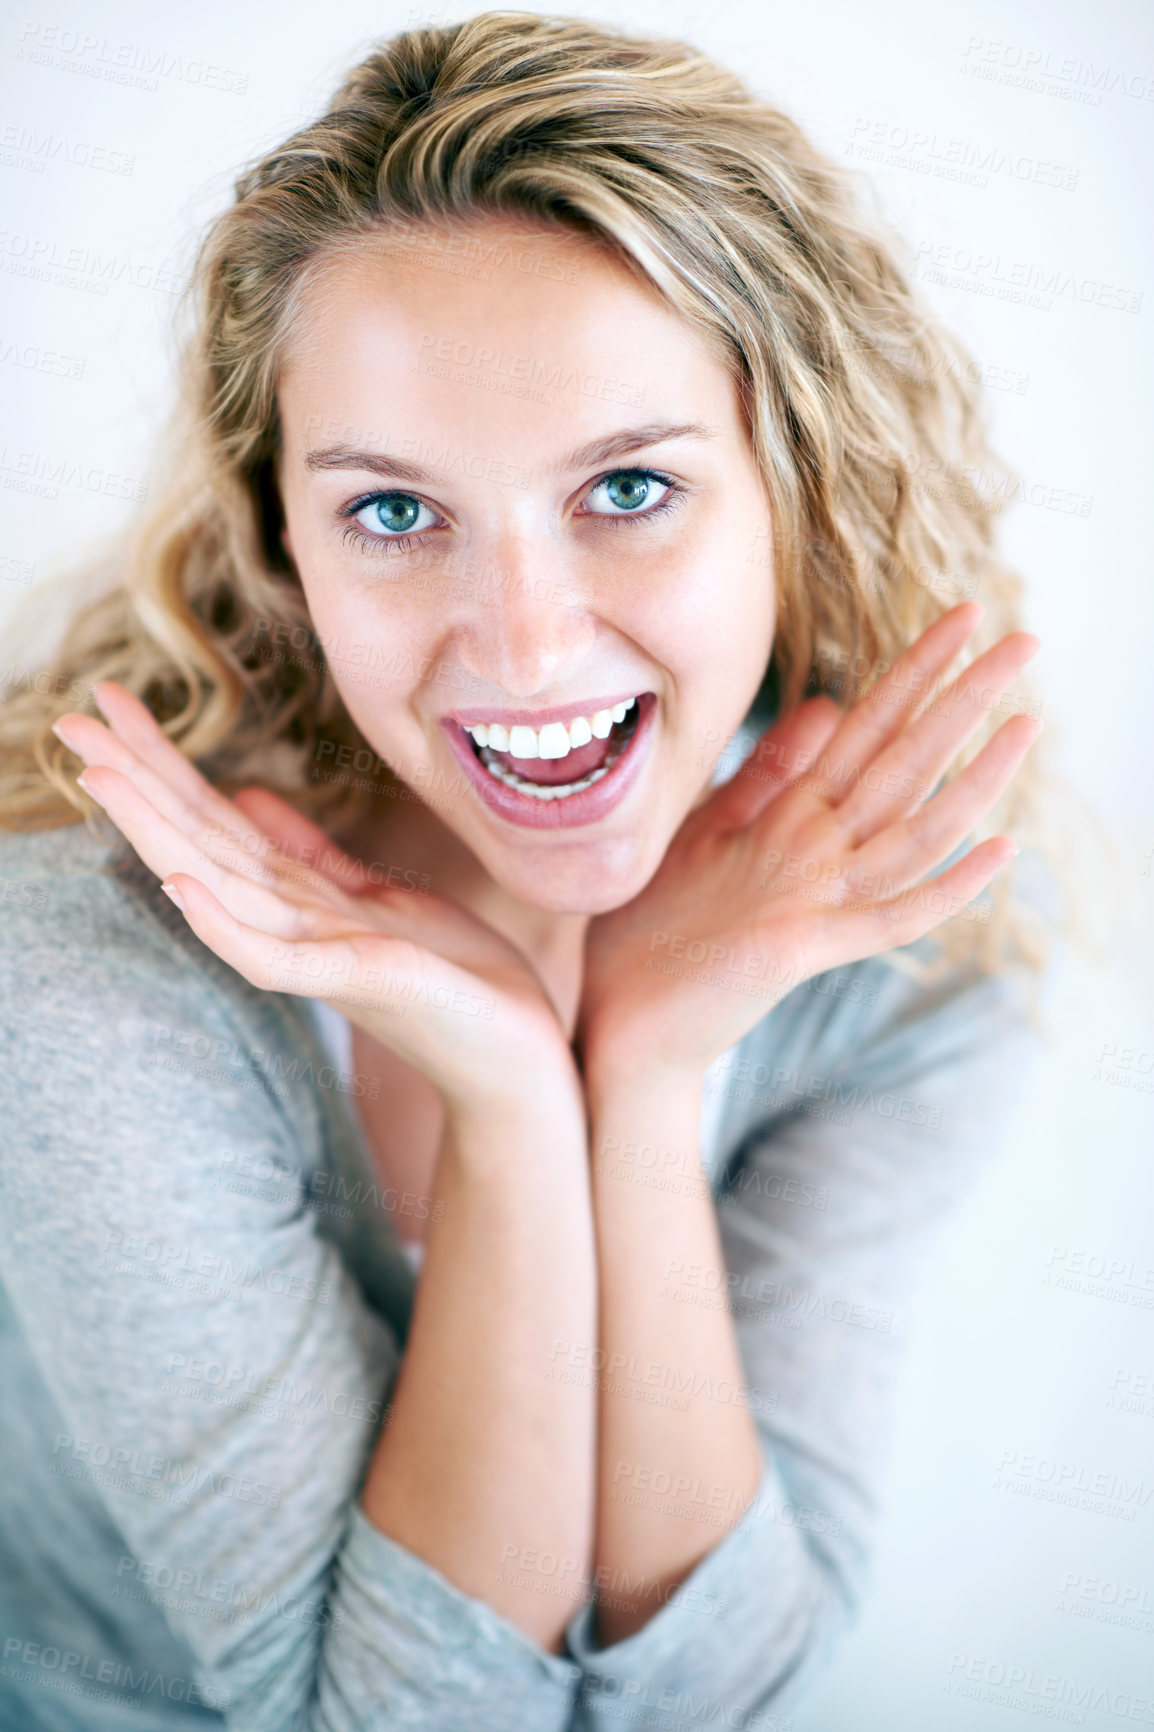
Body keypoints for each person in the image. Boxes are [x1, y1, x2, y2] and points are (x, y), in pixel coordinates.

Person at [0, 13, 1051, 1730]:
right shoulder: (88, 959)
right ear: (284, 537)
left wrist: (633, 1085)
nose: (524, 645)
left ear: (796, 490)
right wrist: (502, 1094)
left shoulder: (915, 955)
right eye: (395, 514)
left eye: (628, 486)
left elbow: (715, 1688)